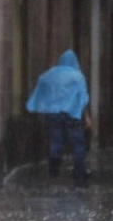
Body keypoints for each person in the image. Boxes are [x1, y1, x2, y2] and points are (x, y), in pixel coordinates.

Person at [25, 49, 92, 187]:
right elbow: (83, 97)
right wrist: (86, 116)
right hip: (72, 114)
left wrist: (40, 104)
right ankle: (80, 172)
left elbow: (41, 84)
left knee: (56, 140)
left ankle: (54, 168)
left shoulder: (49, 75)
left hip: (53, 114)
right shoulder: (78, 76)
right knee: (78, 143)